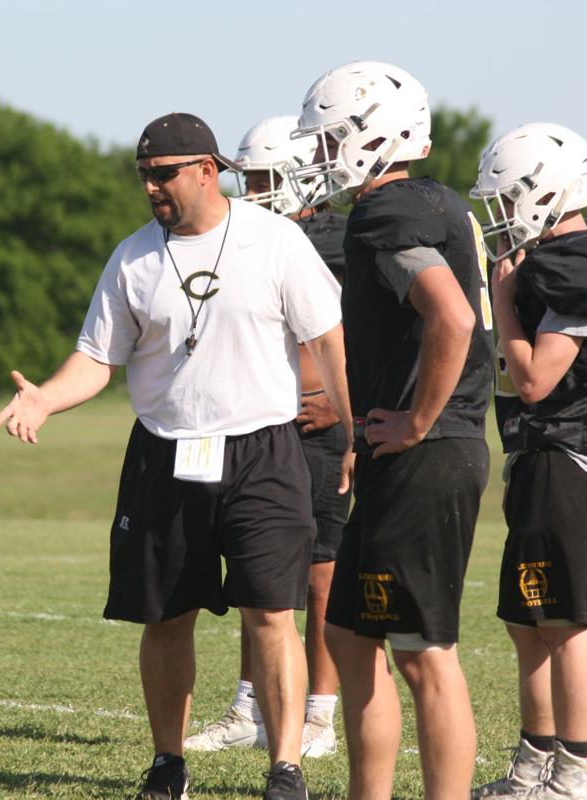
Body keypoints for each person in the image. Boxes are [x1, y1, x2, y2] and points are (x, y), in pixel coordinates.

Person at [0, 112, 354, 800]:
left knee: (271, 613)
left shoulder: (274, 240)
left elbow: (329, 340)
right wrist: (45, 398)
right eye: (143, 176)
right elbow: (97, 358)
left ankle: (285, 769)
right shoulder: (133, 257)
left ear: (207, 171)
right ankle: (168, 764)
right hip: (164, 453)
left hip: (264, 451)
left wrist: (353, 430)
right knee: (164, 617)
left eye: (163, 174)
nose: (151, 187)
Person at [290, 61, 495, 799]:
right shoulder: (434, 202)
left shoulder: (388, 213)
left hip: (427, 450)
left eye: (328, 140)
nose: (320, 155)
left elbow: (453, 317)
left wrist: (417, 419)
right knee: (349, 636)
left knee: (424, 653)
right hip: (416, 450)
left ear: (368, 136)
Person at [469, 123, 587, 800]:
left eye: (509, 198)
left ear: (546, 192)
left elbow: (536, 378)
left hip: (571, 454)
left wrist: (503, 302)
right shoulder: (567, 254)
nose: (502, 215)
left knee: (564, 622)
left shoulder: (584, 262)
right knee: (528, 621)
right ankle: (533, 765)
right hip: (543, 454)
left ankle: (573, 775)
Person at [184, 115, 349, 760]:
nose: (251, 191)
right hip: (258, 426)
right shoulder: (248, 237)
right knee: (259, 578)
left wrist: (343, 403)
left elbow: (359, 334)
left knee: (319, 573)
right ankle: (250, 707)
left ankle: (320, 714)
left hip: (313, 425)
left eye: (262, 178)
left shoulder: (338, 240)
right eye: (247, 178)